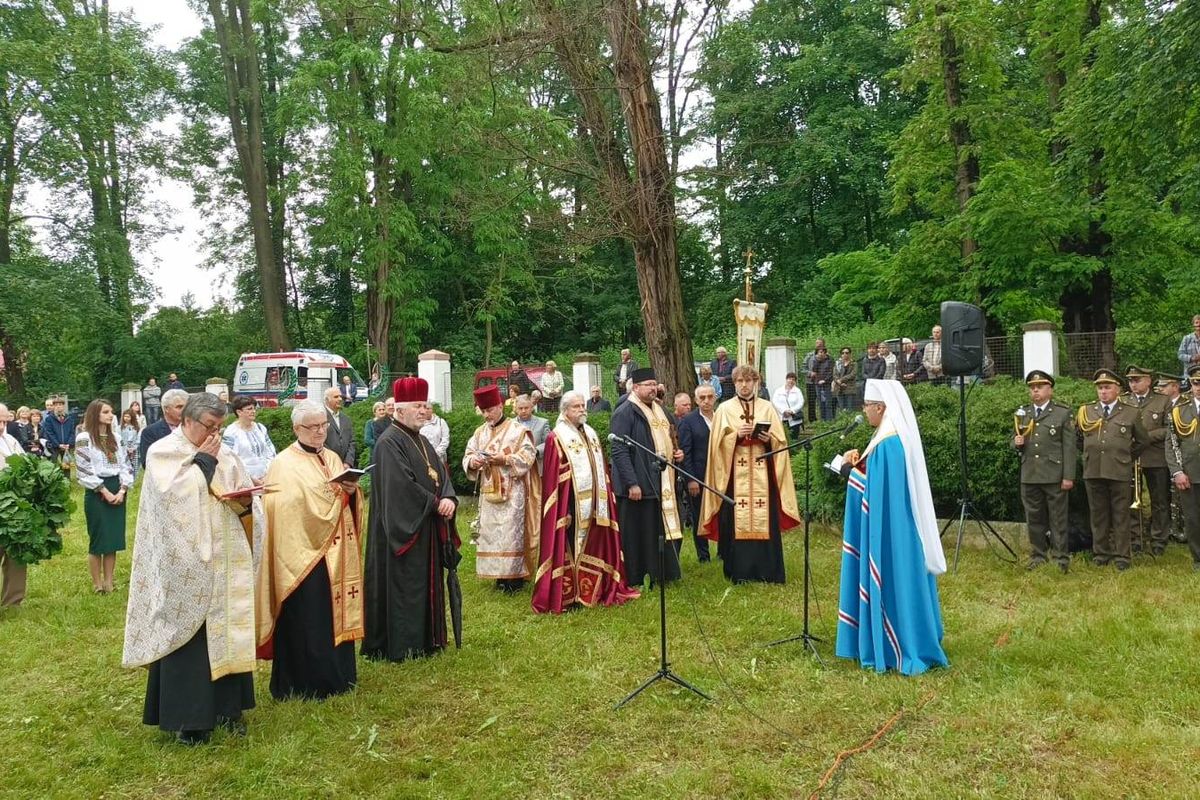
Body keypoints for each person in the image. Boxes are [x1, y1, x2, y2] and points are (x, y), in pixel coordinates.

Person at [123, 393, 258, 744]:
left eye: (219, 427)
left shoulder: (222, 451)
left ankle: (229, 709)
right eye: (209, 426)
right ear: (187, 420)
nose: (215, 434)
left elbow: (238, 489)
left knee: (225, 630)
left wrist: (247, 499)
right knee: (191, 639)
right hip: (185, 560)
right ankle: (190, 719)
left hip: (224, 557)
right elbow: (173, 498)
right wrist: (202, 463)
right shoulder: (163, 451)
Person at [834, 379, 948, 675]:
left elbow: (872, 492)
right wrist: (858, 464)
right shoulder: (892, 437)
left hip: (889, 533)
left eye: (867, 406)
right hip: (901, 528)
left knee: (893, 581)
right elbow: (878, 481)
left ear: (881, 407)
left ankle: (893, 644)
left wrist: (847, 471)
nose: (865, 411)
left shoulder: (887, 443)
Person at [256, 400, 364, 700]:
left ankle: (339, 677)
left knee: (334, 614)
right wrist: (333, 500)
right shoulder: (283, 464)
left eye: (323, 425)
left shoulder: (331, 456)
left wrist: (352, 493)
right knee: (309, 617)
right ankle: (305, 685)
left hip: (338, 552)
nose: (319, 432)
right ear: (296, 429)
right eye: (312, 427)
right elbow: (282, 507)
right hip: (302, 556)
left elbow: (344, 496)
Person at [362, 378, 460, 661]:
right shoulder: (388, 442)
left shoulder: (423, 440)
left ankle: (429, 640)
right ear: (399, 410)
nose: (424, 411)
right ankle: (405, 645)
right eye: (418, 405)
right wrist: (434, 502)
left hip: (426, 526)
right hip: (403, 531)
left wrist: (449, 499)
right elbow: (401, 486)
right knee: (406, 587)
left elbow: (441, 477)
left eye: (426, 406)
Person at [532, 391, 640, 613]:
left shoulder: (590, 433)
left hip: (594, 502)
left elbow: (600, 467)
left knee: (593, 542)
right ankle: (570, 596)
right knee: (570, 546)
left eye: (583, 405)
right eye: (576, 407)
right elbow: (555, 478)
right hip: (570, 505)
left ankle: (594, 590)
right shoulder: (556, 437)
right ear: (565, 411)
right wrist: (565, 509)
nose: (582, 409)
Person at [700, 365, 800, 583]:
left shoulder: (767, 408)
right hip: (735, 476)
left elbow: (780, 442)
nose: (744, 385)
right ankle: (739, 572)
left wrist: (768, 439)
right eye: (740, 381)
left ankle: (768, 571)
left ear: (756, 382)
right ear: (734, 384)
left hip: (763, 473)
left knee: (766, 520)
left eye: (748, 381)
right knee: (735, 521)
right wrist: (735, 435)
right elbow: (715, 446)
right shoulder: (725, 409)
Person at [610, 367, 685, 586]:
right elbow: (619, 450)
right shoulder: (625, 412)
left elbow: (672, 435)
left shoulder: (661, 410)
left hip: (663, 482)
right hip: (639, 486)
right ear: (635, 387)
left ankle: (665, 574)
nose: (654, 388)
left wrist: (677, 453)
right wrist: (631, 483)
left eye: (655, 384)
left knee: (661, 530)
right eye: (648, 385)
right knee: (639, 533)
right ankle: (636, 576)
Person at [464, 385, 540, 592]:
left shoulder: (518, 430)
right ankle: (498, 575)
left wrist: (505, 459)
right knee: (491, 534)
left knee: (509, 534)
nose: (487, 415)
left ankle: (514, 578)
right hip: (488, 491)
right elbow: (468, 454)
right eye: (484, 411)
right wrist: (473, 462)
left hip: (513, 491)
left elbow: (528, 456)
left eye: (490, 410)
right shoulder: (479, 432)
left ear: (500, 406)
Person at [1078, 369, 1148, 571]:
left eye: (1107, 387)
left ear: (1118, 389)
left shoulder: (1131, 412)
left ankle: (1122, 555)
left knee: (1120, 515)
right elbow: (1078, 438)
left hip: (1119, 470)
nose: (1103, 392)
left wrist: (1125, 456)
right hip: (1093, 470)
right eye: (1100, 388)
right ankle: (1101, 553)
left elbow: (1142, 441)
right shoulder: (1087, 411)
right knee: (1098, 514)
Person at [1012, 370, 1076, 572]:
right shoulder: (1023, 413)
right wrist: (1016, 443)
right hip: (1030, 474)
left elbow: (1069, 447)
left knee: (1058, 518)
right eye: (1032, 387)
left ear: (1050, 389)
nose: (1035, 391)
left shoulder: (1062, 413)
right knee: (1034, 518)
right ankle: (1038, 555)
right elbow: (1015, 440)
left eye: (1040, 387)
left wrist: (1068, 476)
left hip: (1053, 474)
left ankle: (1060, 558)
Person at [75, 400, 134, 594]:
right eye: (105, 412)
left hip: (116, 486)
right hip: (97, 491)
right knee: (99, 539)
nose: (110, 415)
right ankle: (97, 584)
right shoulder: (85, 438)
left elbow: (126, 464)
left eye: (111, 412)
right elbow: (84, 469)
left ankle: (109, 581)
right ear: (95, 415)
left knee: (113, 540)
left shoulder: (116, 437)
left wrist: (122, 490)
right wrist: (104, 491)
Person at [1123, 365, 1172, 555]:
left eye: (1137, 380)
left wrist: (1145, 437)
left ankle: (1159, 539)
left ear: (1148, 381)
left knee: (1159, 499)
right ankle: (1136, 537)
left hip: (1155, 457)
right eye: (1131, 381)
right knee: (1132, 498)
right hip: (1131, 457)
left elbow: (1169, 428)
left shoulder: (1163, 401)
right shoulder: (1124, 400)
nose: (1133, 384)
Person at [677, 383, 716, 563]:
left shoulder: (722, 417)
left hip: (720, 475)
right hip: (698, 477)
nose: (706, 401)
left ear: (715, 397)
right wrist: (691, 480)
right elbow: (686, 452)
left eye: (709, 397)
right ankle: (703, 555)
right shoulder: (688, 421)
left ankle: (724, 551)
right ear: (696, 400)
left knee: (722, 514)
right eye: (702, 398)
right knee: (699, 514)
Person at [1167, 365, 1200, 570]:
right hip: (1190, 472)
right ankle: (1198, 558)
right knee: (1193, 518)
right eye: (1196, 383)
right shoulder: (1179, 411)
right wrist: (1177, 472)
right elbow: (1171, 444)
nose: (1199, 387)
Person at [0, 408, 28, 606]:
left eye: (4, 422)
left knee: (17, 553)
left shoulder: (11, 441)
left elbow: (26, 464)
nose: (2, 426)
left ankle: (13, 601)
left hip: (16, 504)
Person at [221, 396, 277, 484]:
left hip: (267, 478)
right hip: (245, 481)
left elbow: (271, 452)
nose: (253, 411)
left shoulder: (260, 428)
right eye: (249, 409)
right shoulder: (231, 432)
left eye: (254, 408)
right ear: (239, 412)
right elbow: (230, 459)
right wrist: (250, 479)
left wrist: (267, 474)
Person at [138, 389, 188, 468]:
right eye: (179, 407)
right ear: (166, 409)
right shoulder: (150, 432)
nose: (184, 410)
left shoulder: (194, 428)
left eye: (186, 407)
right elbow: (147, 462)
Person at [513, 394, 550, 468]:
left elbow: (548, 442)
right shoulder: (510, 424)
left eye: (526, 408)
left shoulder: (543, 423)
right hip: (516, 467)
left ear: (532, 408)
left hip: (537, 465)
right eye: (520, 408)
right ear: (516, 409)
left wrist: (536, 451)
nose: (523, 411)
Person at [322, 386, 356, 468]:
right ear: (327, 400)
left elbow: (352, 442)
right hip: (327, 465)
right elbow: (319, 442)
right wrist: (333, 461)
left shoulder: (346, 419)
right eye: (336, 397)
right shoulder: (320, 417)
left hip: (345, 467)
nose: (340, 399)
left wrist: (348, 462)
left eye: (340, 396)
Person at [43, 396, 76, 471]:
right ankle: (54, 480)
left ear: (63, 406)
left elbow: (72, 432)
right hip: (54, 446)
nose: (58, 406)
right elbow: (49, 433)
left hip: (67, 446)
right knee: (53, 465)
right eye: (56, 405)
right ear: (54, 406)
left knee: (67, 464)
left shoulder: (69, 418)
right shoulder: (49, 419)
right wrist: (58, 444)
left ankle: (66, 480)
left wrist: (69, 444)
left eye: (60, 404)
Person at [772, 372, 805, 439]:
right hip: (782, 418)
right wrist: (784, 411)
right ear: (786, 379)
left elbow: (801, 402)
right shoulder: (778, 391)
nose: (791, 381)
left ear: (795, 381)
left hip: (794, 419)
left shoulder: (797, 391)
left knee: (794, 437)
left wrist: (792, 411)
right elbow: (775, 402)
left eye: (793, 379)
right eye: (789, 379)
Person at [802, 338, 827, 423]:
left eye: (820, 343)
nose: (818, 345)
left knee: (823, 401)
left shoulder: (828, 357)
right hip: (811, 382)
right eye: (817, 343)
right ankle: (812, 420)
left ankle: (824, 419)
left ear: (824, 344)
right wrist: (810, 373)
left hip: (823, 383)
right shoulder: (809, 356)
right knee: (811, 401)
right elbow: (803, 369)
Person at [832, 347, 858, 413]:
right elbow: (834, 374)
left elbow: (853, 374)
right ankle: (843, 422)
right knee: (842, 408)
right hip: (839, 388)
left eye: (846, 353)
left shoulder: (854, 363)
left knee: (849, 409)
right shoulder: (838, 363)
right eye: (843, 353)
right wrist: (839, 382)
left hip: (849, 388)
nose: (844, 354)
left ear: (850, 354)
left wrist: (841, 379)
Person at [812, 346, 835, 421]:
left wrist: (825, 380)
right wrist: (817, 361)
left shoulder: (830, 360)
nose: (820, 354)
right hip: (818, 384)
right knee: (821, 403)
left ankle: (829, 420)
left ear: (825, 353)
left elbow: (831, 372)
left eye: (822, 352)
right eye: (819, 352)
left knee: (828, 403)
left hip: (827, 384)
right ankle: (822, 420)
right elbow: (814, 372)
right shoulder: (815, 361)